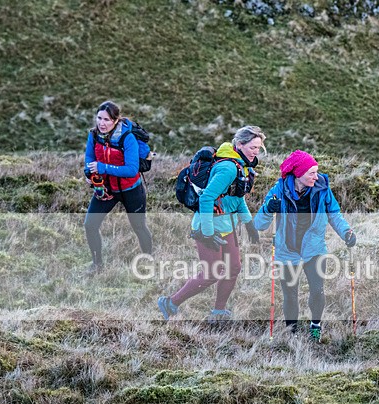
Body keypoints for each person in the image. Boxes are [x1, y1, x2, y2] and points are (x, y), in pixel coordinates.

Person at [157, 126, 265, 322]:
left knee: (233, 268)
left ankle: (218, 312)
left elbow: (236, 198)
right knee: (212, 273)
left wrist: (249, 225)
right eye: (253, 147)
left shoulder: (241, 165)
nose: (256, 152)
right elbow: (206, 199)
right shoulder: (229, 168)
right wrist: (207, 233)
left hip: (226, 225)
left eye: (259, 148)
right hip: (208, 226)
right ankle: (170, 302)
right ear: (239, 145)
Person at [254, 150, 356, 341]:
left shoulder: (322, 189)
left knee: (317, 290)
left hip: (314, 249)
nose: (316, 177)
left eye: (316, 172)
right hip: (287, 251)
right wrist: (269, 209)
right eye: (312, 173)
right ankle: (291, 332)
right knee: (290, 295)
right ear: (298, 173)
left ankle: (315, 326)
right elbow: (259, 224)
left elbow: (334, 215)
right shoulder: (278, 190)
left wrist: (346, 233)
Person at [83, 100, 152, 272]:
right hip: (106, 190)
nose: (101, 123)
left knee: (139, 227)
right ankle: (97, 265)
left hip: (131, 190)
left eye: (106, 119)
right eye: (99, 118)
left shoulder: (127, 138)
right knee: (89, 225)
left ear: (115, 121)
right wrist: (90, 174)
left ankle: (148, 260)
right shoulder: (93, 135)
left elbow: (131, 169)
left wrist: (103, 167)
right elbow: (89, 159)